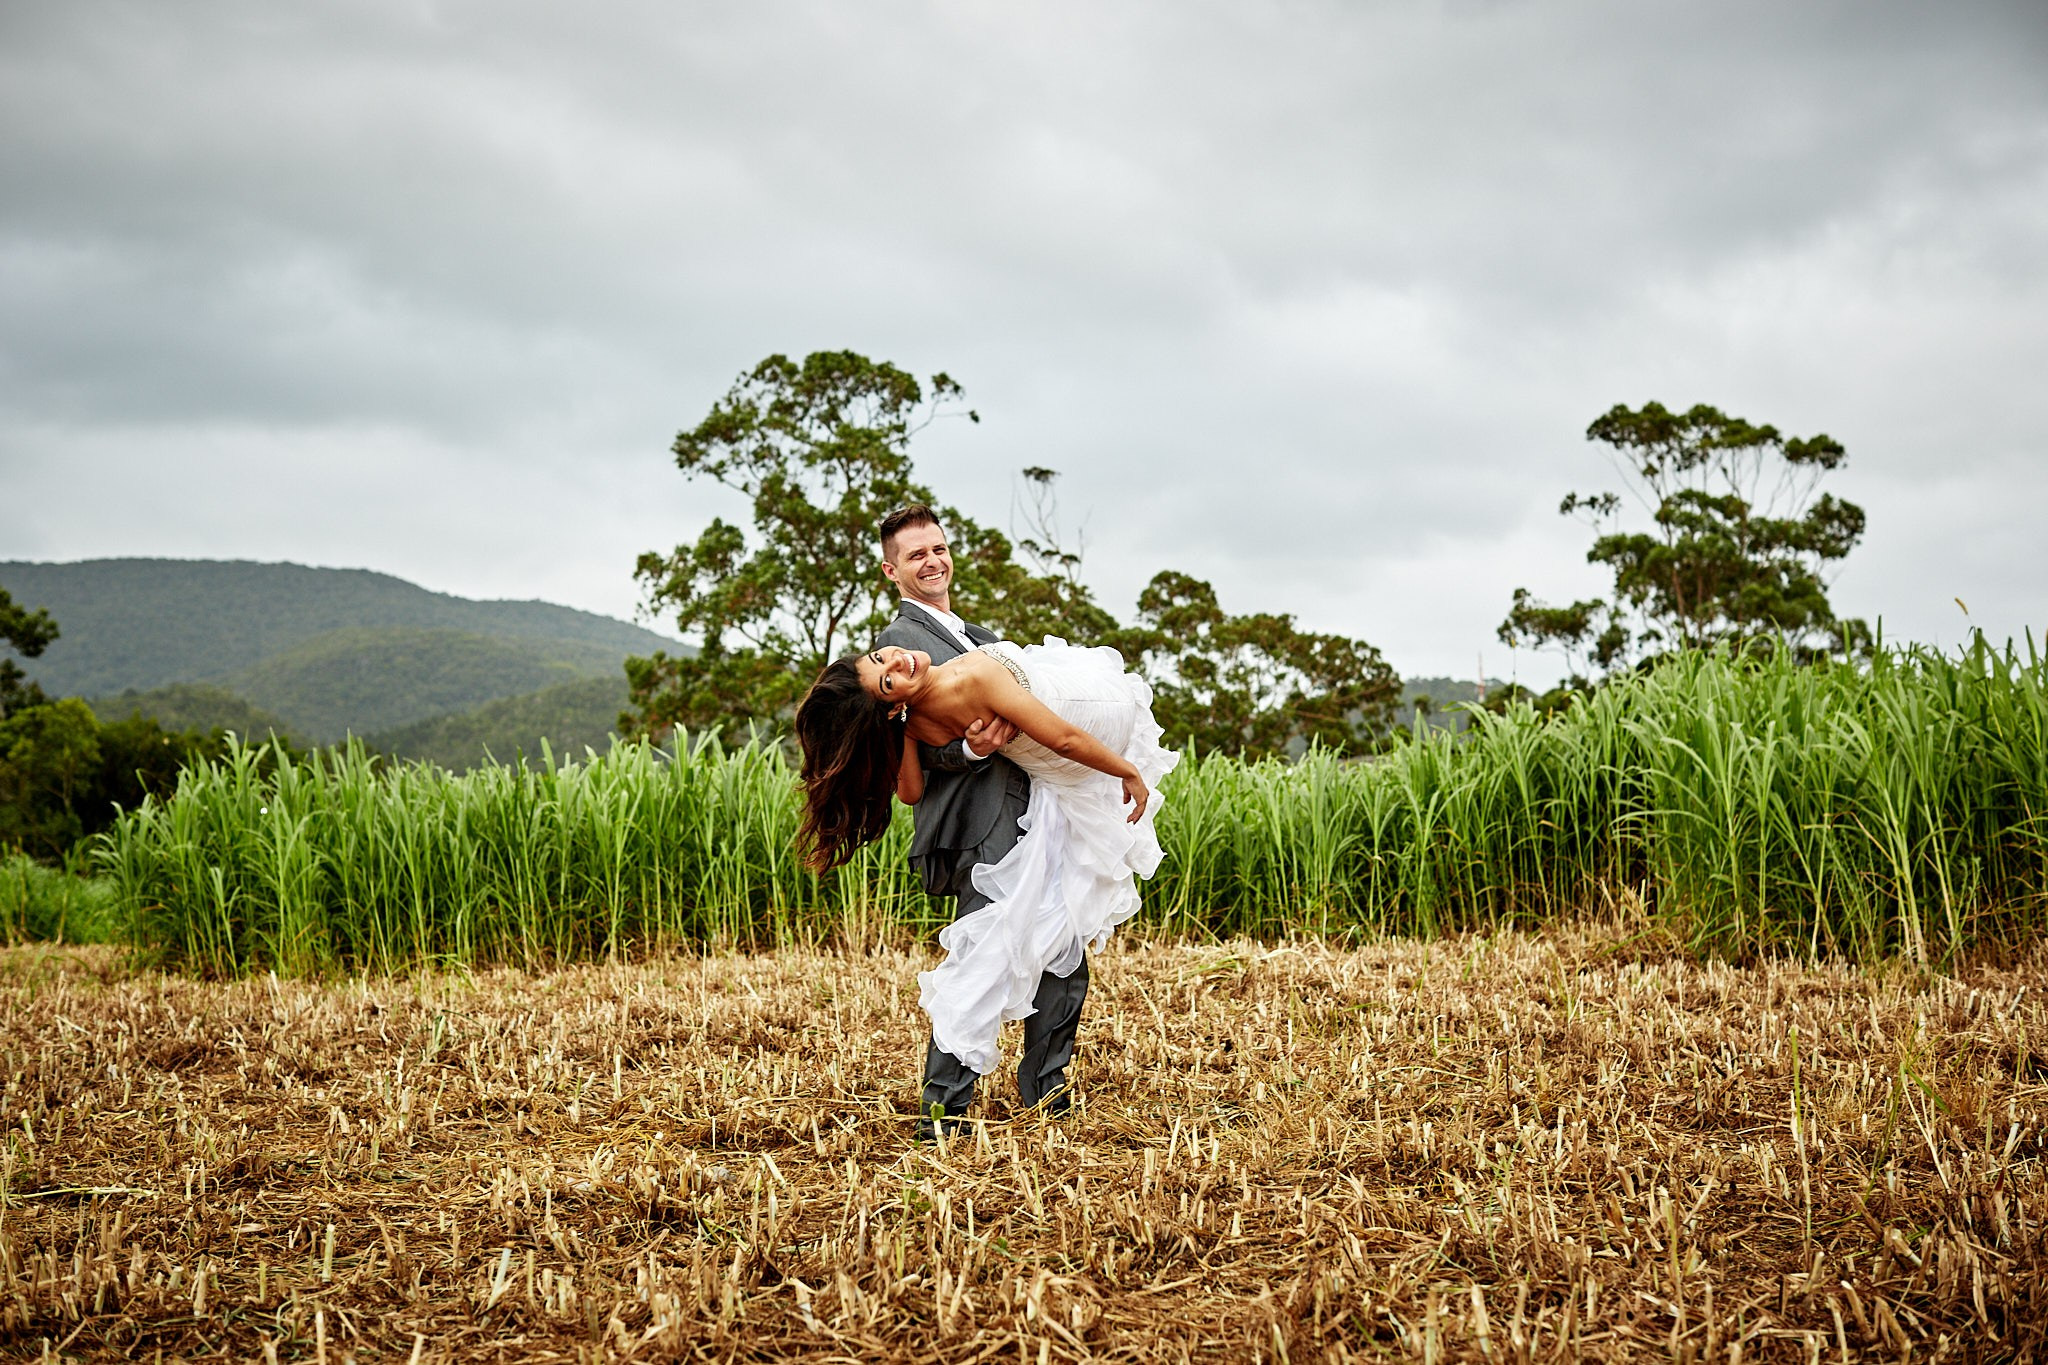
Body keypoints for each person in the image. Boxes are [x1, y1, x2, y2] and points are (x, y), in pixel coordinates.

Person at [795, 600, 1178, 1139]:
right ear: (892, 569)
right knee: (995, 951)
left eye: (882, 657)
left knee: (1047, 942)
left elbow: (908, 791)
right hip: (1045, 775)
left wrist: (914, 732)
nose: (898, 662)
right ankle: (951, 1106)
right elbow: (1063, 739)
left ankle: (1017, 1096)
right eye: (885, 678)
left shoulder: (913, 714)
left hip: (1045, 789)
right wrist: (1127, 771)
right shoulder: (967, 673)